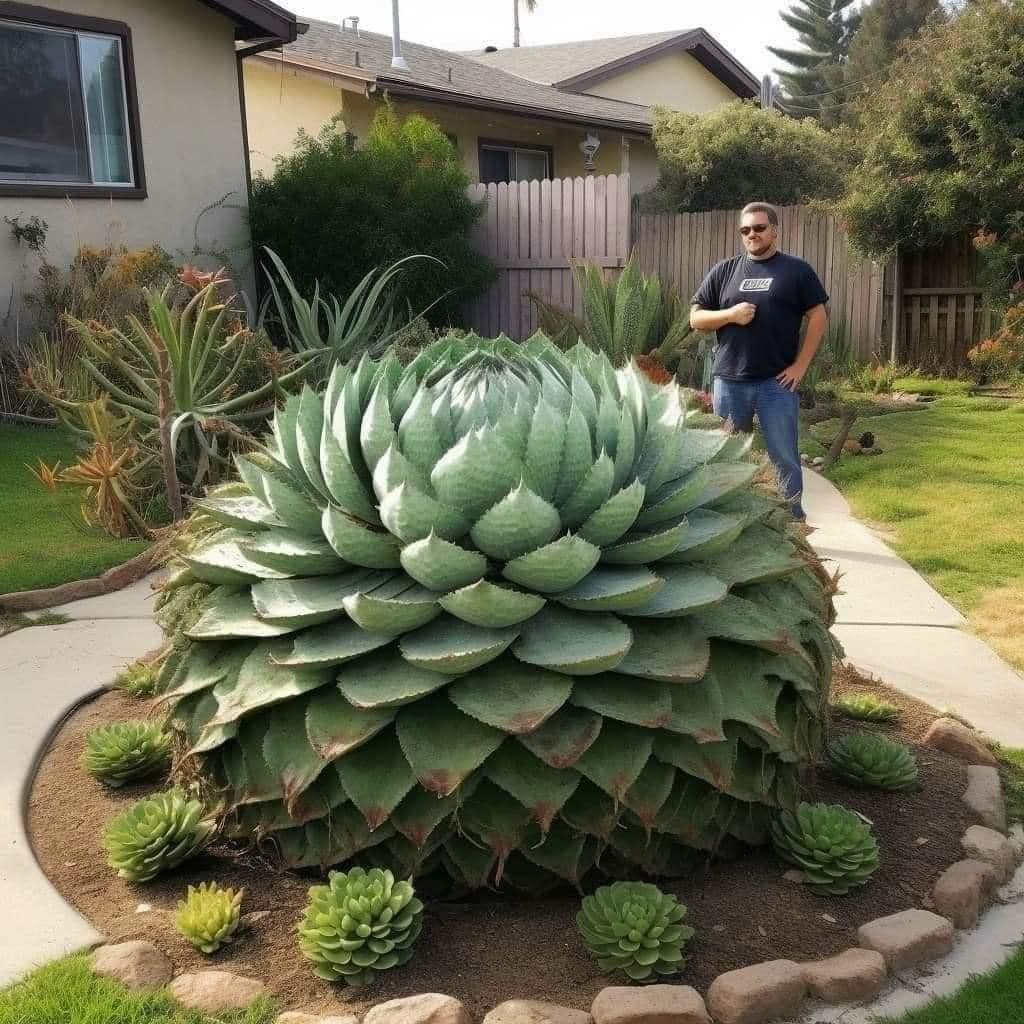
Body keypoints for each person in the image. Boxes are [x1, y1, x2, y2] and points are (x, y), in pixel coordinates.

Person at [689, 202, 828, 521]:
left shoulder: (796, 270)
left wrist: (801, 366)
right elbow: (695, 318)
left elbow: (819, 316)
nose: (752, 234)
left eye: (759, 228)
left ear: (774, 231)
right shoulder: (724, 270)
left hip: (776, 384)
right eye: (746, 230)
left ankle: (793, 524)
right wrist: (730, 315)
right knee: (726, 457)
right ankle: (728, 522)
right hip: (729, 382)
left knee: (784, 458)